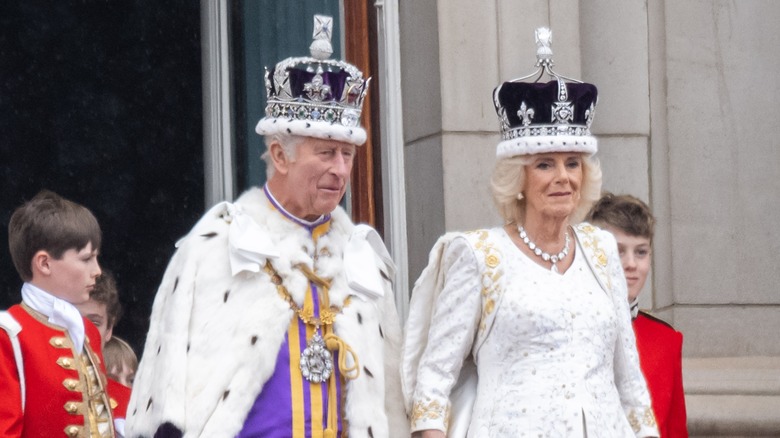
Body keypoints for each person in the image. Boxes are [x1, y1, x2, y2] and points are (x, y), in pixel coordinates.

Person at [126, 15, 408, 438]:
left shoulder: (362, 258)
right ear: (280, 155)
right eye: (326, 153)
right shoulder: (215, 247)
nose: (340, 169)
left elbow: (388, 402)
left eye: (347, 155)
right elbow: (168, 396)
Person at [401, 28, 659, 437]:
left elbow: (628, 377)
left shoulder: (601, 248)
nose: (563, 178)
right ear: (517, 176)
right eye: (545, 164)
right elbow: (432, 384)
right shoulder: (479, 255)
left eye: (572, 163)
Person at [0, 190, 116, 437]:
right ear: (44, 263)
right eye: (86, 259)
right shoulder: (8, 335)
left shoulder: (88, 333)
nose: (97, 270)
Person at [586, 193, 689, 437]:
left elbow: (675, 432)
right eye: (618, 251)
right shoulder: (568, 330)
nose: (631, 263)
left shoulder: (667, 339)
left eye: (641, 252)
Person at [74, 268, 133, 436]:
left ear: (109, 330)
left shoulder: (133, 405)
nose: (83, 332)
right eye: (72, 319)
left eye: (94, 322)